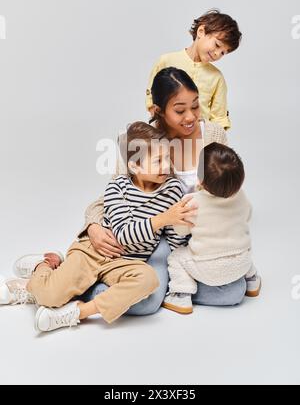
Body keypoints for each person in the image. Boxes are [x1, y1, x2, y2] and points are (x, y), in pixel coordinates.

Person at [0, 121, 196, 333]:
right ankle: (43, 266)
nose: (166, 166)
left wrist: (183, 229)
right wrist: (165, 218)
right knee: (50, 296)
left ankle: (78, 312)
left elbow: (175, 235)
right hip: (93, 253)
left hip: (126, 262)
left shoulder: (173, 189)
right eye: (158, 160)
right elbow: (122, 235)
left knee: (149, 279)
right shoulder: (117, 187)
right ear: (134, 166)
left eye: (168, 157)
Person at [82, 67, 247, 313]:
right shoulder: (143, 142)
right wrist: (93, 226)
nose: (190, 116)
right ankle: (90, 286)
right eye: (180, 110)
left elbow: (226, 188)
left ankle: (166, 285)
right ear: (158, 111)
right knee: (147, 303)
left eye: (195, 105)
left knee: (233, 292)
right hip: (152, 238)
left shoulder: (213, 134)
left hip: (199, 239)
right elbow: (114, 193)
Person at [163, 142, 261, 315]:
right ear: (240, 179)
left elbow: (180, 231)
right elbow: (248, 215)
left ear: (199, 180)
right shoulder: (242, 196)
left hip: (207, 268)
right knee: (239, 244)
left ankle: (181, 295)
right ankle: (252, 280)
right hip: (242, 264)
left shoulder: (192, 201)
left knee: (176, 257)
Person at [145, 10, 242, 130]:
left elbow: (219, 117)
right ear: (201, 32)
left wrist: (213, 141)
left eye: (223, 52)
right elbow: (151, 100)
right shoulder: (166, 61)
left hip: (199, 138)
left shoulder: (217, 77)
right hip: (166, 134)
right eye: (217, 45)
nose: (217, 53)